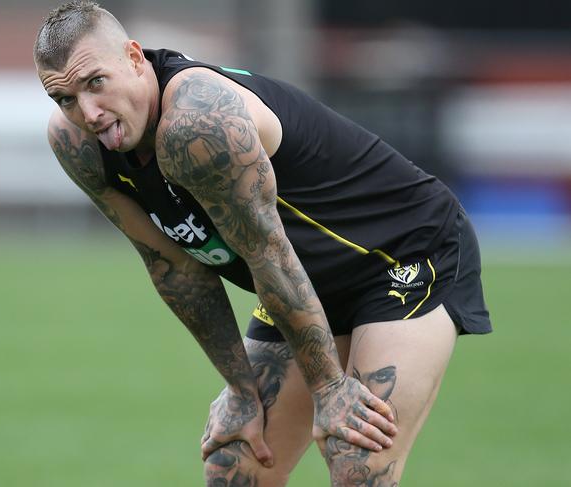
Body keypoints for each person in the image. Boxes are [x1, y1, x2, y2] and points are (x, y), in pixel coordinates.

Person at [34, 2, 492, 485]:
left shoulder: (196, 124)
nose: (87, 112)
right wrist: (239, 390)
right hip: (304, 281)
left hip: (403, 251)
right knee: (234, 464)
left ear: (133, 57)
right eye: (64, 98)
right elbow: (174, 267)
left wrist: (330, 388)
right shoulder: (78, 145)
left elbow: (267, 253)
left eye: (95, 83)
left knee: (356, 456)